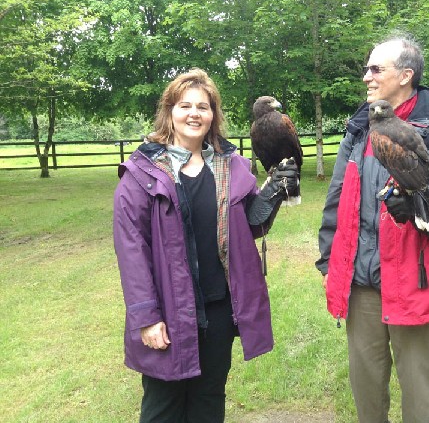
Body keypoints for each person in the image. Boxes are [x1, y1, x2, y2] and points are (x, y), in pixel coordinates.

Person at [113, 68, 298, 422]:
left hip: (218, 310)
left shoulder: (233, 166)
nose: (194, 114)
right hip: (168, 311)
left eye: (203, 106)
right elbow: (131, 250)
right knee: (163, 407)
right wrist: (147, 317)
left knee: (209, 401)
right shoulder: (142, 172)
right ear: (169, 111)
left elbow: (250, 226)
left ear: (213, 114)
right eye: (185, 106)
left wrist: (275, 192)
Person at [315, 34, 429, 423]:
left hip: (417, 280)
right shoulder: (359, 128)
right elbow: (338, 197)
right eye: (366, 69)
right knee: (367, 392)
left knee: (420, 395)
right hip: (363, 283)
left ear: (405, 75)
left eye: (375, 69)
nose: (366, 77)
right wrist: (329, 261)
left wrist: (423, 204)